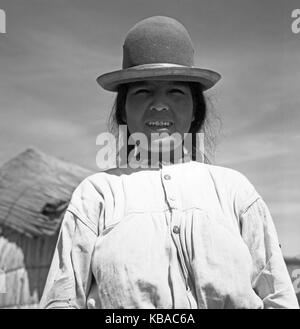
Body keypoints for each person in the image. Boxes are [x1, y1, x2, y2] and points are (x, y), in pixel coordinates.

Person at [40, 16, 299, 309]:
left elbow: (279, 298)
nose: (160, 103)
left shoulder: (235, 191)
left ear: (194, 110)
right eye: (143, 91)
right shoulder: (96, 194)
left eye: (175, 91)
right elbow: (61, 300)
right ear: (123, 111)